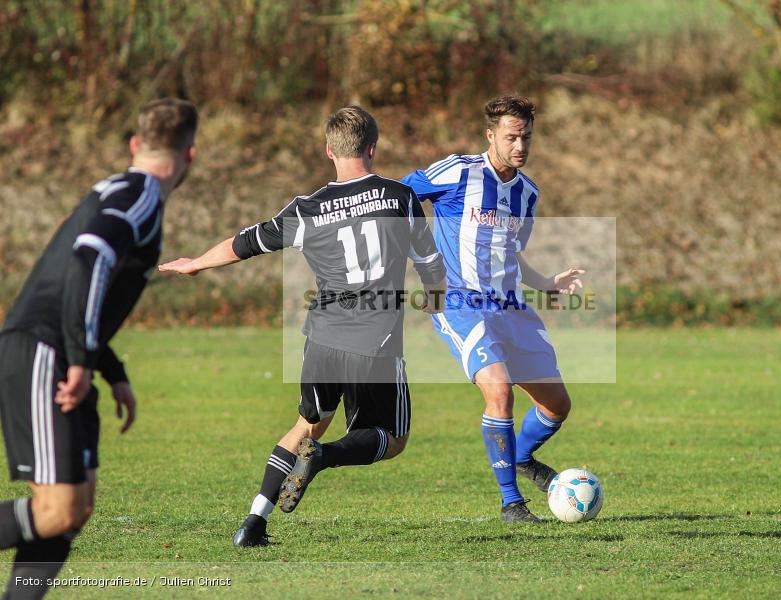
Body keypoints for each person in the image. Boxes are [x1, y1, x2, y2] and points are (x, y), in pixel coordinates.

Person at [159, 106, 446, 547]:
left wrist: (197, 263)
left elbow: (245, 242)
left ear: (329, 150)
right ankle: (323, 458)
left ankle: (253, 524)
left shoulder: (307, 209)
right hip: (376, 340)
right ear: (372, 147)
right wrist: (434, 295)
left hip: (322, 339)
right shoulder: (400, 196)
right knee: (391, 437)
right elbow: (429, 261)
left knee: (304, 426)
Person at [0, 98, 198, 597]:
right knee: (57, 509)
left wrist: (112, 369)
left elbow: (89, 287)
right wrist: (84, 361)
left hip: (63, 350)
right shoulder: (142, 194)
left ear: (135, 144)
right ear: (191, 155)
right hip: (46, 352)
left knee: (75, 507)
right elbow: (89, 262)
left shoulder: (125, 189)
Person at [401, 95, 584, 523]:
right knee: (499, 392)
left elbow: (508, 252)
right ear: (491, 135)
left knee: (557, 405)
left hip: (512, 307)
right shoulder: (458, 171)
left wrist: (545, 284)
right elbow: (398, 196)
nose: (520, 146)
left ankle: (519, 458)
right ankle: (511, 503)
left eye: (526, 137)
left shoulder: (527, 194)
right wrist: (422, 259)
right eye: (511, 137)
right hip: (459, 302)